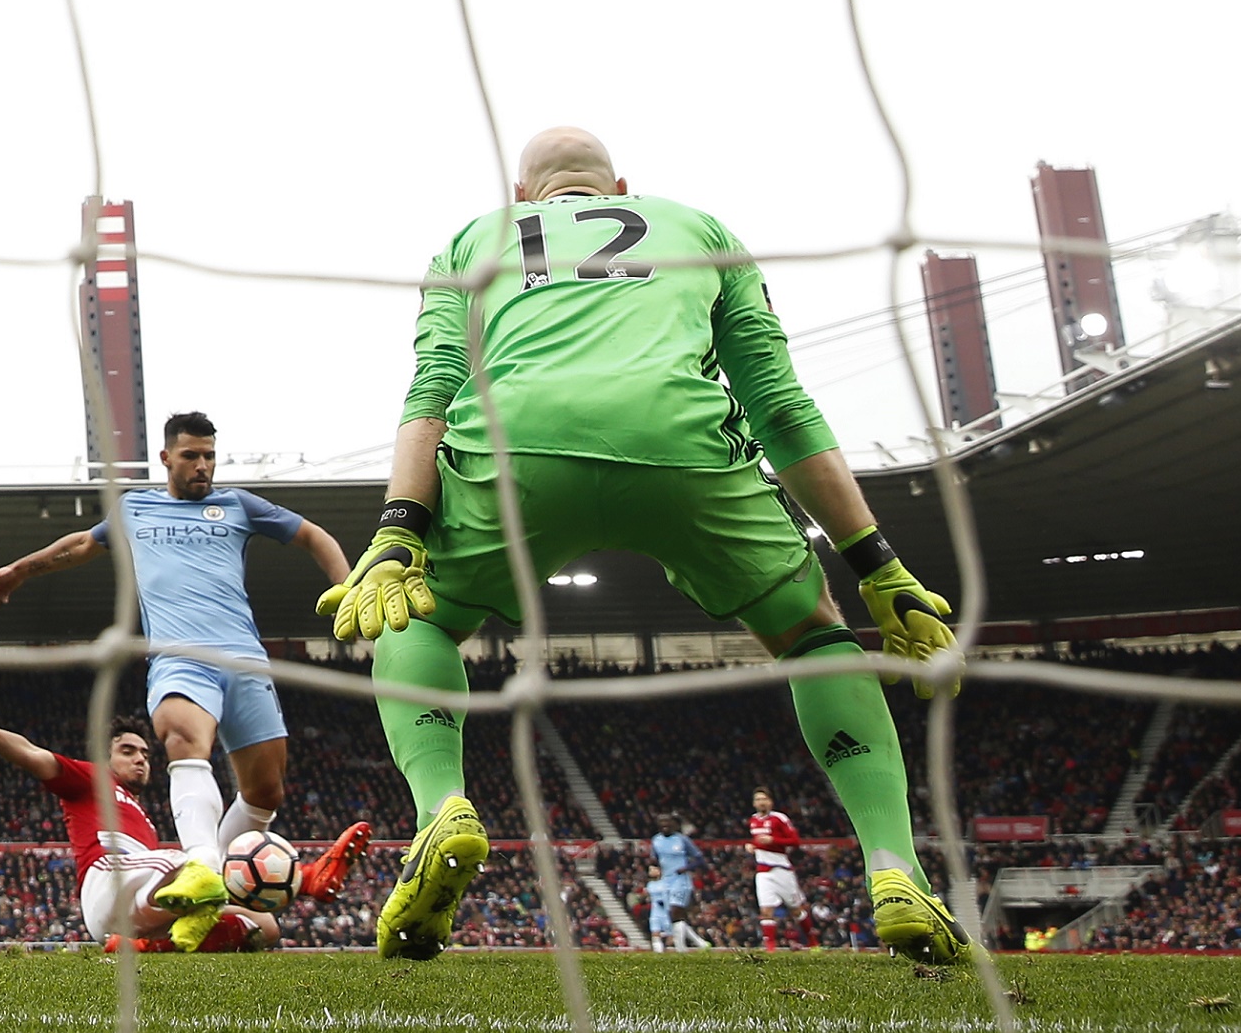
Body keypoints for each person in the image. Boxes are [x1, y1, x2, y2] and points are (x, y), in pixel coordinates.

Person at [320, 127, 968, 964]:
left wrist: (396, 532)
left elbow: (432, 387)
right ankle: (894, 864)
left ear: (526, 197)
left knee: (417, 619)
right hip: (681, 445)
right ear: (621, 186)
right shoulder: (700, 228)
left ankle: (440, 807)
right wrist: (879, 563)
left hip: (517, 451)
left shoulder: (471, 240)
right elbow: (779, 406)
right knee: (814, 634)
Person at [0, 411, 370, 892]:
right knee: (185, 743)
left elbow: (313, 535)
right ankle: (202, 864)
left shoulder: (239, 505)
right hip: (178, 656)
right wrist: (20, 569)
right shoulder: (135, 509)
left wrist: (348, 587)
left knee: (266, 792)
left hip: (243, 658)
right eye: (191, 456)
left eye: (209, 457)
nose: (202, 466)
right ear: (166, 458)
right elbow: (80, 544)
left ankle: (223, 876)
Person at [0, 674, 271, 951]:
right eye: (127, 751)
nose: (139, 759)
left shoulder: (143, 816)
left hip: (135, 906)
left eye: (144, 754)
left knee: (265, 926)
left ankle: (146, 946)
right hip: (107, 882)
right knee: (189, 861)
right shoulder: (89, 776)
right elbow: (29, 753)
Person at [746, 787, 820, 952]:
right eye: (757, 799)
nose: (761, 802)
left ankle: (813, 941)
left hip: (782, 870)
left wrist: (772, 840)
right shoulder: (752, 820)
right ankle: (770, 948)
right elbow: (758, 842)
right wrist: (751, 846)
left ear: (770, 801)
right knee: (766, 910)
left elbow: (795, 841)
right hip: (763, 872)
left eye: (764, 799)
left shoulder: (779, 818)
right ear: (754, 803)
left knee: (796, 910)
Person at [651, 814, 710, 952]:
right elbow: (654, 860)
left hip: (681, 881)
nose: (664, 824)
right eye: (661, 821)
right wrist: (653, 869)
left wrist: (686, 868)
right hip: (665, 881)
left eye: (667, 821)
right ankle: (700, 943)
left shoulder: (682, 840)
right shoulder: (656, 841)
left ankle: (680, 948)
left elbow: (700, 859)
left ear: (673, 824)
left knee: (675, 911)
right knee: (674, 916)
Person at [643, 864, 672, 954]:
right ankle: (658, 952)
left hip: (666, 912)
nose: (650, 872)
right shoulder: (650, 884)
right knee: (655, 932)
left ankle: (669, 951)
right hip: (655, 911)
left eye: (652, 869)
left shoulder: (666, 882)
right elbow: (647, 896)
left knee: (670, 935)